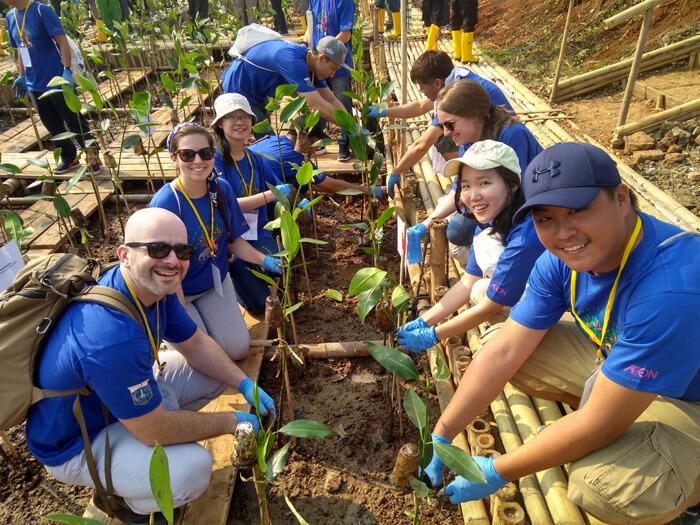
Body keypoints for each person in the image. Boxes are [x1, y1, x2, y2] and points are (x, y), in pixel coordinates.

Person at [422, 142, 700, 525]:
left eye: (577, 211)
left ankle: (683, 491)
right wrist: (443, 433)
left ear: (621, 199)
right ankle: (624, 427)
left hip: (690, 399)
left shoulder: (673, 286)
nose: (564, 232)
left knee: (602, 485)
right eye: (545, 218)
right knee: (505, 349)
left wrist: (498, 470)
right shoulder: (559, 262)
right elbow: (505, 352)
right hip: (635, 369)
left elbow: (601, 422)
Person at [26, 207, 276, 524]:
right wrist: (231, 421)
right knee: (194, 469)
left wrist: (243, 384)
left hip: (109, 403)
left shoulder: (151, 288)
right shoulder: (110, 337)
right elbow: (153, 429)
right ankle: (129, 503)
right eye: (157, 248)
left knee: (211, 372)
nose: (172, 260)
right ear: (124, 254)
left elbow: (195, 343)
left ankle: (144, 444)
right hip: (77, 441)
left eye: (182, 250)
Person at [396, 140, 543, 352]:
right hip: (523, 291)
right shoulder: (489, 220)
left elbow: (489, 307)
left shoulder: (527, 233)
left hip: (561, 309)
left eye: (484, 183)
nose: (473, 196)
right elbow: (467, 282)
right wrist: (425, 320)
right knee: (478, 289)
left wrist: (434, 334)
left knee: (492, 335)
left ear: (512, 184)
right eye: (466, 186)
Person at [150, 121, 282, 350]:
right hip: (177, 290)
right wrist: (182, 320)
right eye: (187, 155)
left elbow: (232, 241)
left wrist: (264, 260)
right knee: (201, 354)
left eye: (205, 153)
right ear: (174, 158)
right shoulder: (167, 203)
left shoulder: (220, 190)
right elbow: (164, 270)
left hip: (214, 283)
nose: (198, 161)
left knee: (238, 349)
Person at [210, 94, 293, 315]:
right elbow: (226, 205)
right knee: (257, 304)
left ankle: (252, 275)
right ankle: (235, 286)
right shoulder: (213, 162)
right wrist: (269, 195)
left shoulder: (256, 160)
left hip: (259, 233)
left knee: (278, 272)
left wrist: (294, 199)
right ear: (220, 123)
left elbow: (280, 191)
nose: (240, 122)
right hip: (229, 240)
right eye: (232, 117)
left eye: (245, 117)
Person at [6, 0, 102, 175]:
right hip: (34, 83)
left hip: (57, 79)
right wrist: (22, 75)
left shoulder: (41, 11)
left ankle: (93, 157)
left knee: (73, 119)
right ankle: (69, 158)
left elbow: (62, 41)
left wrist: (65, 70)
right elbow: (21, 49)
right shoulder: (10, 16)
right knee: (52, 124)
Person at [220, 34, 351, 131]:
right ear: (321, 58)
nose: (333, 75)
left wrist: (353, 124)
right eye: (333, 69)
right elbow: (316, 103)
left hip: (258, 90)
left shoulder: (311, 64)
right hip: (239, 87)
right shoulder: (293, 62)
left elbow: (331, 99)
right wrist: (350, 128)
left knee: (264, 126)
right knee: (265, 137)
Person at [249, 130, 385, 198]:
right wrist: (369, 190)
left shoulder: (274, 139)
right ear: (305, 140)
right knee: (299, 186)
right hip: (253, 194)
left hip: (243, 185)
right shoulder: (297, 157)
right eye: (316, 146)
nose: (315, 152)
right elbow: (332, 186)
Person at [308, 0, 355, 161]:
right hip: (318, 62)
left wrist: (328, 52)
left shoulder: (344, 2)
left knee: (342, 102)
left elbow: (346, 33)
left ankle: (345, 143)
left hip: (337, 64)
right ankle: (318, 140)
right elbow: (312, 24)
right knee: (317, 101)